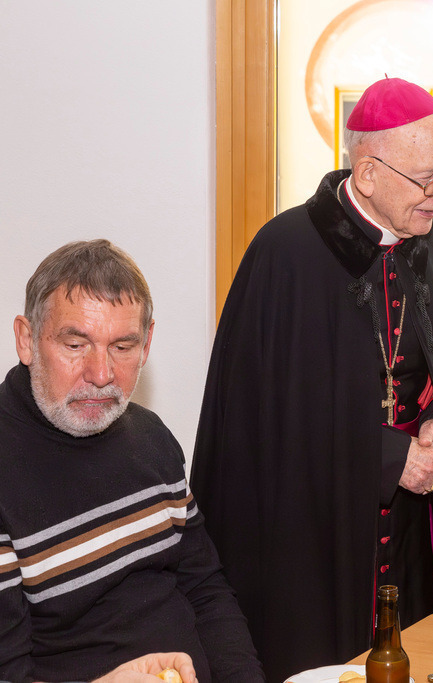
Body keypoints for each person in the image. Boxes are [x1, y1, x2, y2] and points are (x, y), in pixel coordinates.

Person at [189, 76, 433, 681]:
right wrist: (389, 458)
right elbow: (269, 423)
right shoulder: (282, 254)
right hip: (314, 533)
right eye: (428, 179)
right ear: (367, 174)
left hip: (416, 532)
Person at [0, 240, 263, 683]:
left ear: (147, 344)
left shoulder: (150, 437)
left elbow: (206, 590)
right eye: (75, 344)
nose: (101, 375)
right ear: (27, 340)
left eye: (123, 347)